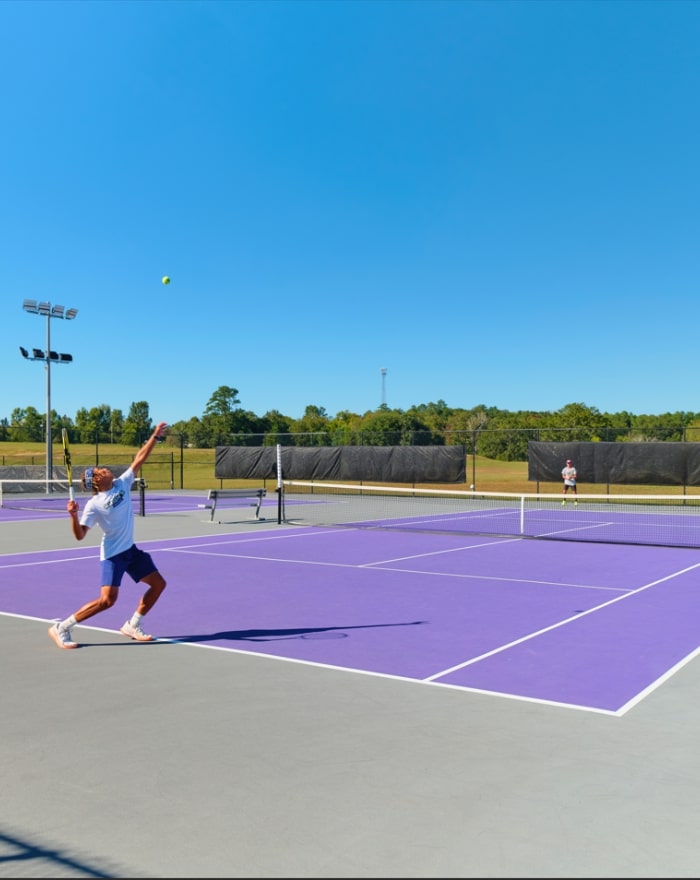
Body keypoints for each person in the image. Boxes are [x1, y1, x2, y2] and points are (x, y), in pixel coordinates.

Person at [48, 422, 169, 650]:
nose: (104, 470)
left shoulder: (122, 483)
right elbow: (80, 535)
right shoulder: (94, 505)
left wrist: (154, 436)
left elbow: (140, 458)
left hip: (131, 551)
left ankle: (133, 624)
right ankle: (62, 628)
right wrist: (73, 516)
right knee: (107, 601)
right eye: (100, 471)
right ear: (96, 481)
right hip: (113, 555)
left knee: (159, 584)